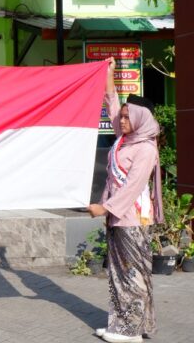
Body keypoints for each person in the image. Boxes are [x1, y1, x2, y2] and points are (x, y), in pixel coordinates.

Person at [87, 57, 163, 343]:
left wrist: (102, 207)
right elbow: (112, 102)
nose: (122, 119)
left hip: (132, 219)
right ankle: (123, 326)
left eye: (128, 117)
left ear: (142, 119)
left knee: (133, 274)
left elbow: (132, 188)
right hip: (118, 218)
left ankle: (130, 330)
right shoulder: (124, 138)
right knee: (118, 274)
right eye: (123, 116)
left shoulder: (145, 148)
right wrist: (110, 74)